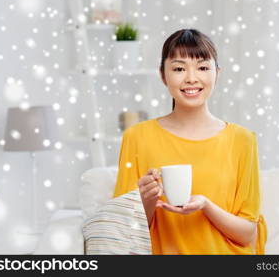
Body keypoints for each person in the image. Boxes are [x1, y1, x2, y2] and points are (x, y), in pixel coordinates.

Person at [113, 29, 267, 255]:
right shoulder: (136, 138)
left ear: (217, 73)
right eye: (179, 68)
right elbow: (124, 235)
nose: (191, 78)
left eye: (203, 67)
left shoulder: (242, 140)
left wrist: (206, 206)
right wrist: (147, 200)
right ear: (163, 75)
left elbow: (247, 234)